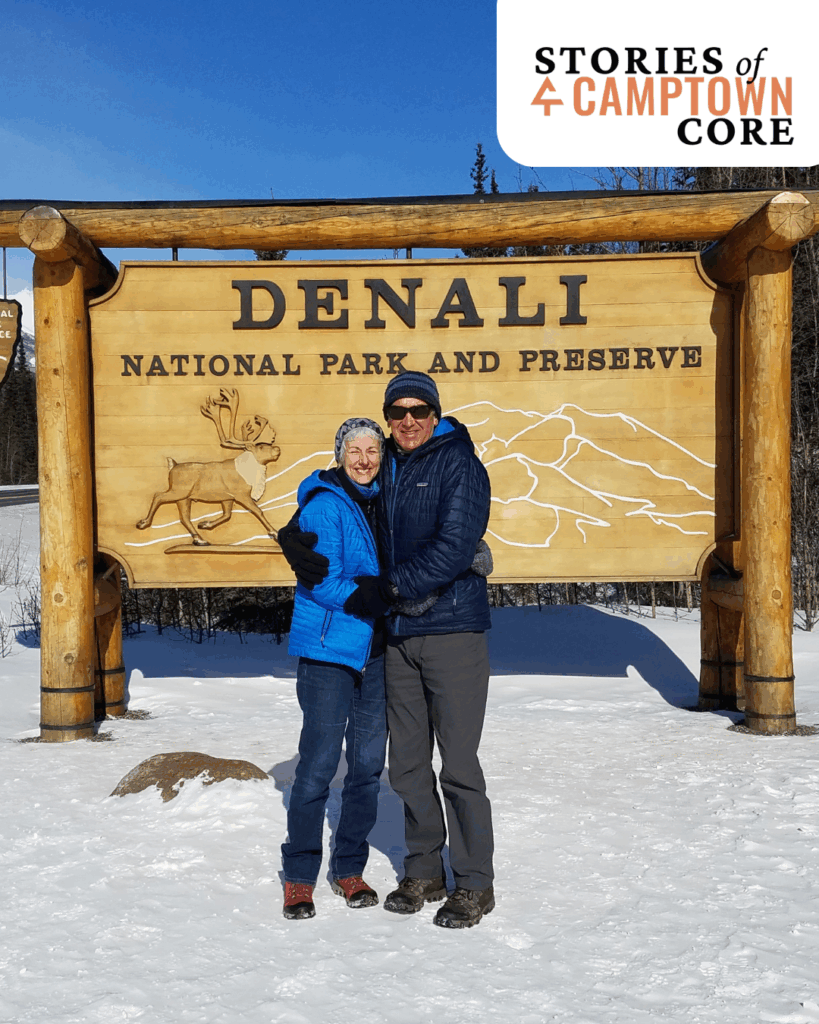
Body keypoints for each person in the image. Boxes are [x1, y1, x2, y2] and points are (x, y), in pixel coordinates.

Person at [282, 372, 495, 929]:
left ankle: (473, 883)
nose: (407, 420)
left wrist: (391, 588)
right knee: (404, 764)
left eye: (418, 410)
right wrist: (295, 524)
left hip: (450, 631)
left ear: (434, 412)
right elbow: (338, 495)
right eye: (396, 411)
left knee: (459, 763)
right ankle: (424, 869)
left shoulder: (458, 463)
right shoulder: (391, 467)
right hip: (394, 637)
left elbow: (452, 546)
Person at [281, 417, 387, 920]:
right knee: (320, 765)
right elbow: (320, 581)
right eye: (354, 451)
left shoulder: (383, 499)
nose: (364, 459)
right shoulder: (326, 505)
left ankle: (349, 867)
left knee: (366, 767)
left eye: (372, 450)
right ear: (340, 454)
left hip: (376, 651)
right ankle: (300, 875)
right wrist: (364, 594)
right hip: (329, 650)